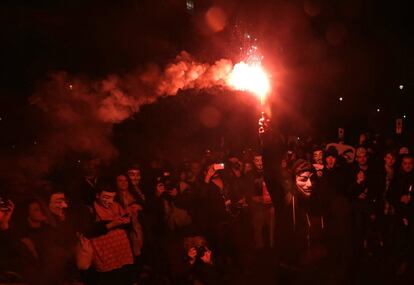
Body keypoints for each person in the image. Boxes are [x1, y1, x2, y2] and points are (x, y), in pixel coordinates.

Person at [260, 120, 328, 285]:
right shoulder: (285, 200)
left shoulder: (317, 202)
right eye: (303, 179)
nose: (309, 184)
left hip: (314, 272)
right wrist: (268, 140)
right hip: (290, 271)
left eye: (312, 179)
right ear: (294, 180)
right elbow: (271, 173)